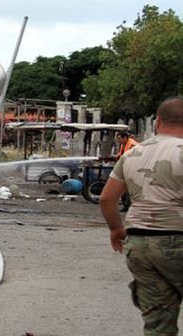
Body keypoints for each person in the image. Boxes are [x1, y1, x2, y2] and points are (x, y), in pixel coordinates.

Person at [100, 96, 183, 336]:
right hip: (177, 240)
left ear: (157, 122)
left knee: (157, 324)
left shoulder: (133, 154)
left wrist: (116, 230)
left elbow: (107, 198)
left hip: (139, 245)